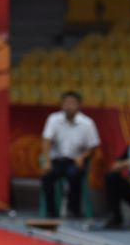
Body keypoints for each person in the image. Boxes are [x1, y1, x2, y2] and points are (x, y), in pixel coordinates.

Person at [39, 91, 100, 219]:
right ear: (61, 105)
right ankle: (51, 211)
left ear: (79, 105)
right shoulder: (53, 119)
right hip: (57, 160)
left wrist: (82, 157)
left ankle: (74, 210)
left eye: (72, 103)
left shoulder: (87, 123)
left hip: (75, 160)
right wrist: (47, 160)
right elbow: (46, 140)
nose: (69, 106)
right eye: (66, 103)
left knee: (75, 175)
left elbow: (93, 146)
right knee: (47, 177)